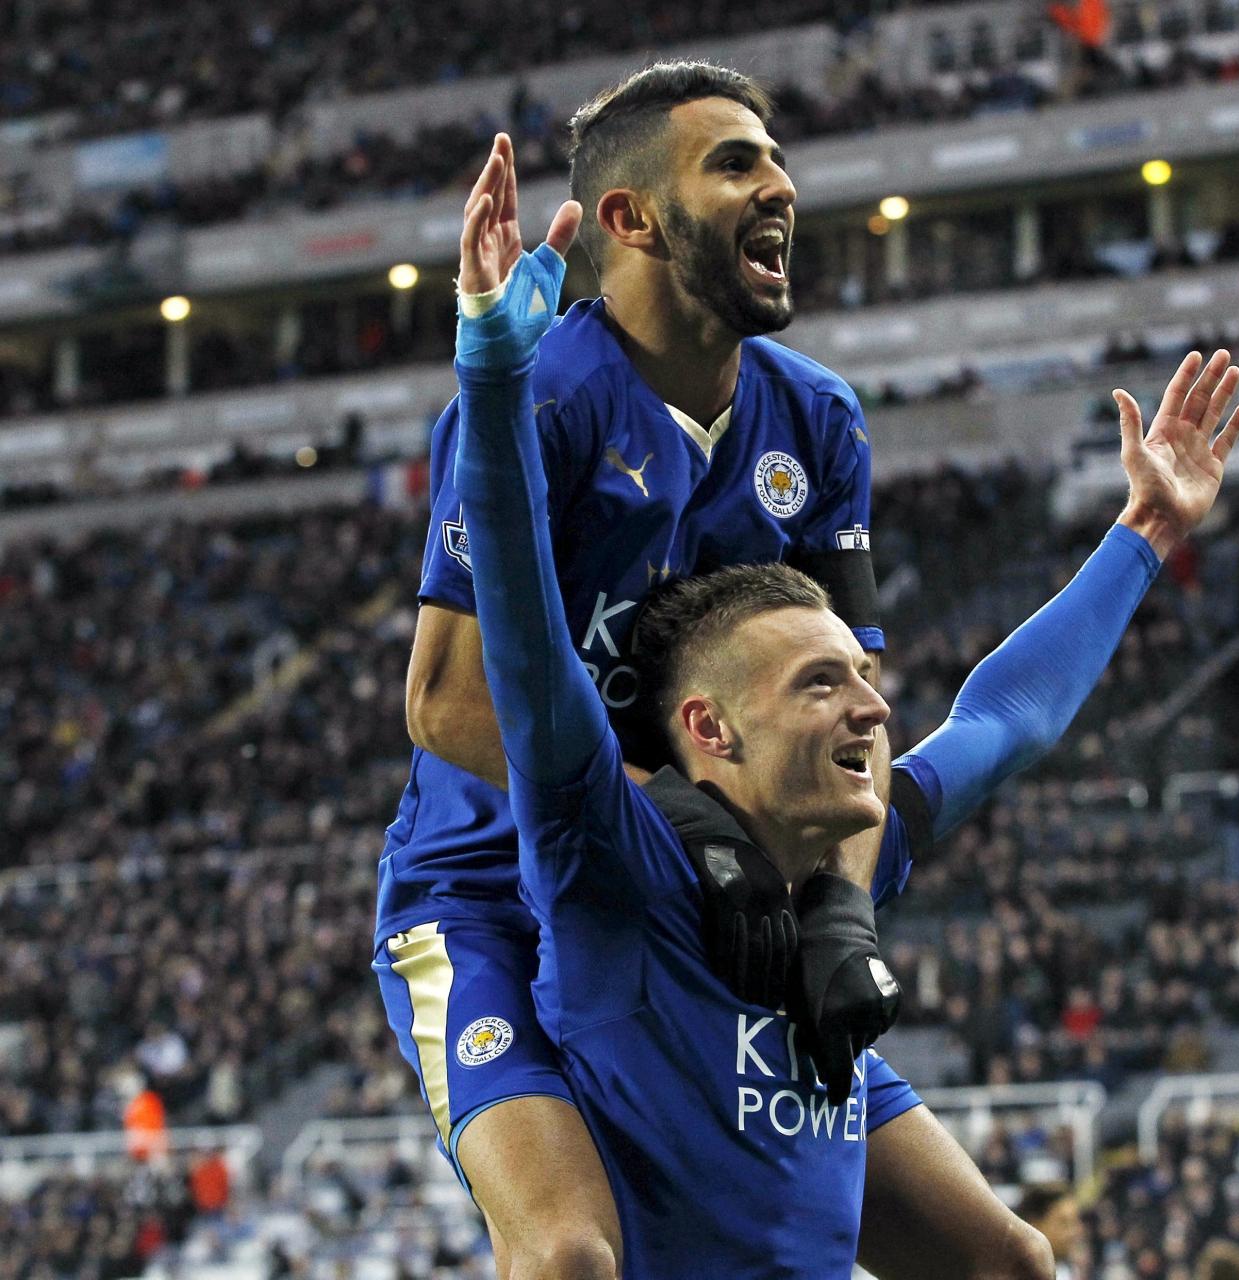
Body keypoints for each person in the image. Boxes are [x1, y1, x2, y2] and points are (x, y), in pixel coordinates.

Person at [450, 183, 1239, 1275]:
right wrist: (495, 380)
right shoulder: (611, 858)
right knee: (566, 1260)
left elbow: (1009, 715)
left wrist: (1144, 529)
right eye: (820, 685)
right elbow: (520, 628)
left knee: (1010, 1261)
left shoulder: (841, 867)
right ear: (709, 728)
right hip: (516, 988)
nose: (872, 706)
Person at [374, 63, 906, 1277]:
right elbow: (443, 699)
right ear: (630, 220)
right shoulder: (539, 399)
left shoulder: (817, 420)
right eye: (734, 164)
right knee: (567, 1254)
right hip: (490, 893)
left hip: (708, 909)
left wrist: (834, 905)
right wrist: (667, 828)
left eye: (774, 157)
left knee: (1001, 1255)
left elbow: (859, 702)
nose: (779, 183)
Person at [1015, 1183, 1088, 1279]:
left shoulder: (1068, 1271)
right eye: (1064, 1223)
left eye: (1075, 1222)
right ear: (1034, 1225)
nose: (1076, 1231)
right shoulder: (1010, 1274)